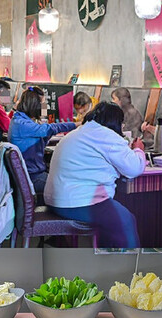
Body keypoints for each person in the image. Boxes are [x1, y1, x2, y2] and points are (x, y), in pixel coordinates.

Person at [45, 102, 146, 248]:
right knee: (126, 220)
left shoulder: (80, 132)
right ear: (115, 121)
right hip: (79, 202)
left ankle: (107, 261)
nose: (122, 127)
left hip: (56, 200)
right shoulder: (106, 135)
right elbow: (134, 168)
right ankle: (130, 267)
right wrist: (138, 150)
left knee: (115, 218)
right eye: (121, 123)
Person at [8, 86, 76, 193]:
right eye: (43, 104)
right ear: (35, 105)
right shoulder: (22, 124)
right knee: (68, 188)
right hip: (32, 177)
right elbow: (49, 129)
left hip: (30, 173)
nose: (45, 107)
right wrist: (76, 125)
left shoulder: (20, 119)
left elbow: (45, 133)